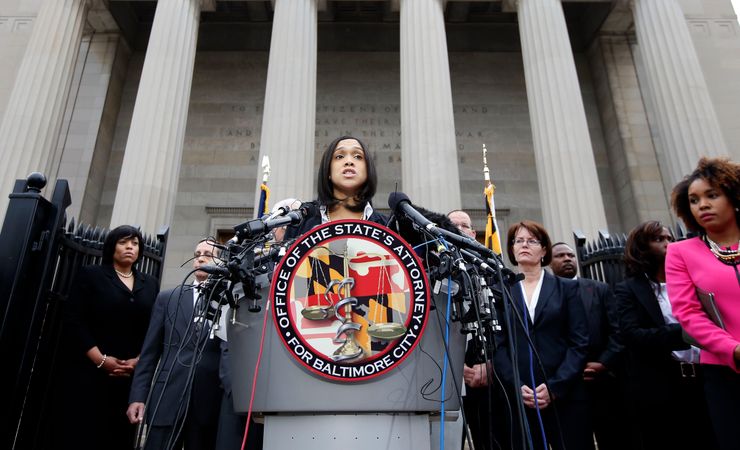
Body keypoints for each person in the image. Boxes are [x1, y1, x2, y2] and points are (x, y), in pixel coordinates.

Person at [55, 225, 160, 450]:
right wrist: (101, 360)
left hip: (128, 377)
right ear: (112, 246)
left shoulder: (149, 283)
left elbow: (155, 327)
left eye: (135, 244)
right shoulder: (92, 275)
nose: (130, 247)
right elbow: (75, 321)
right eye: (124, 242)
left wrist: (139, 360)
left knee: (119, 436)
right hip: (90, 372)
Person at [615, 221, 715, 450]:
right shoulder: (628, 289)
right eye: (659, 239)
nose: (668, 244)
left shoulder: (693, 282)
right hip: (662, 386)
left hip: (706, 379)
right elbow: (632, 336)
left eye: (670, 239)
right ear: (641, 248)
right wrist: (686, 333)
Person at [493, 221, 592, 450]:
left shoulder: (566, 289)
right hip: (521, 399)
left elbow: (579, 343)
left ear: (544, 250)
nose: (524, 245)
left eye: (531, 241)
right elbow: (498, 346)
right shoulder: (501, 292)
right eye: (518, 241)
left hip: (565, 397)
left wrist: (555, 387)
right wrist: (517, 385)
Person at [665, 157, 740, 450]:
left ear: (733, 197)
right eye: (694, 200)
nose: (702, 205)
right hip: (724, 371)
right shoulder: (681, 253)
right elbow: (688, 314)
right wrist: (732, 349)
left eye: (712, 195)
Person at [127, 239, 223, 449]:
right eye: (197, 253)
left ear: (220, 260)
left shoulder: (229, 301)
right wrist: (138, 397)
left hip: (208, 403)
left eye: (208, 253)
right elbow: (150, 353)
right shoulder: (168, 298)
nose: (201, 257)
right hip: (167, 397)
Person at [549, 242, 625, 450]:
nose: (567, 259)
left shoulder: (599, 289)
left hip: (601, 384)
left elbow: (616, 332)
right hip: (565, 387)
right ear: (549, 261)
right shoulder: (546, 294)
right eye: (560, 256)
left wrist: (603, 363)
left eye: (570, 255)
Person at [285, 135, 385, 239]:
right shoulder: (300, 222)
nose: (349, 161)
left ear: (368, 170)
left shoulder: (387, 227)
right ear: (328, 171)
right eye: (339, 156)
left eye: (358, 156)